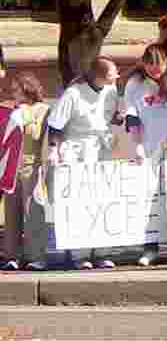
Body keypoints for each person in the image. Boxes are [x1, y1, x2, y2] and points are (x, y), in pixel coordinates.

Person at [47, 56, 122, 269]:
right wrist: (54, 149)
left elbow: (109, 116)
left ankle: (101, 251)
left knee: (103, 200)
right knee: (80, 202)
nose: (116, 76)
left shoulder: (111, 91)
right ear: (99, 76)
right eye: (112, 74)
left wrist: (119, 118)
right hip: (76, 150)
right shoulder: (73, 94)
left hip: (101, 149)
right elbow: (56, 124)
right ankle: (79, 254)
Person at [123, 43, 167, 266]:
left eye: (158, 64)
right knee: (149, 199)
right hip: (148, 146)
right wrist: (138, 146)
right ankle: (149, 247)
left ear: (166, 63)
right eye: (149, 64)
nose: (154, 69)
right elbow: (131, 116)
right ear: (143, 63)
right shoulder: (135, 83)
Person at [1, 73, 49, 271]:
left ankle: (35, 256)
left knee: (33, 213)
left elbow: (41, 137)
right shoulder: (10, 110)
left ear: (27, 88)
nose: (13, 93)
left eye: (16, 89)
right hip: (11, 169)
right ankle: (12, 255)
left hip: (32, 166)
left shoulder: (44, 110)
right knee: (11, 214)